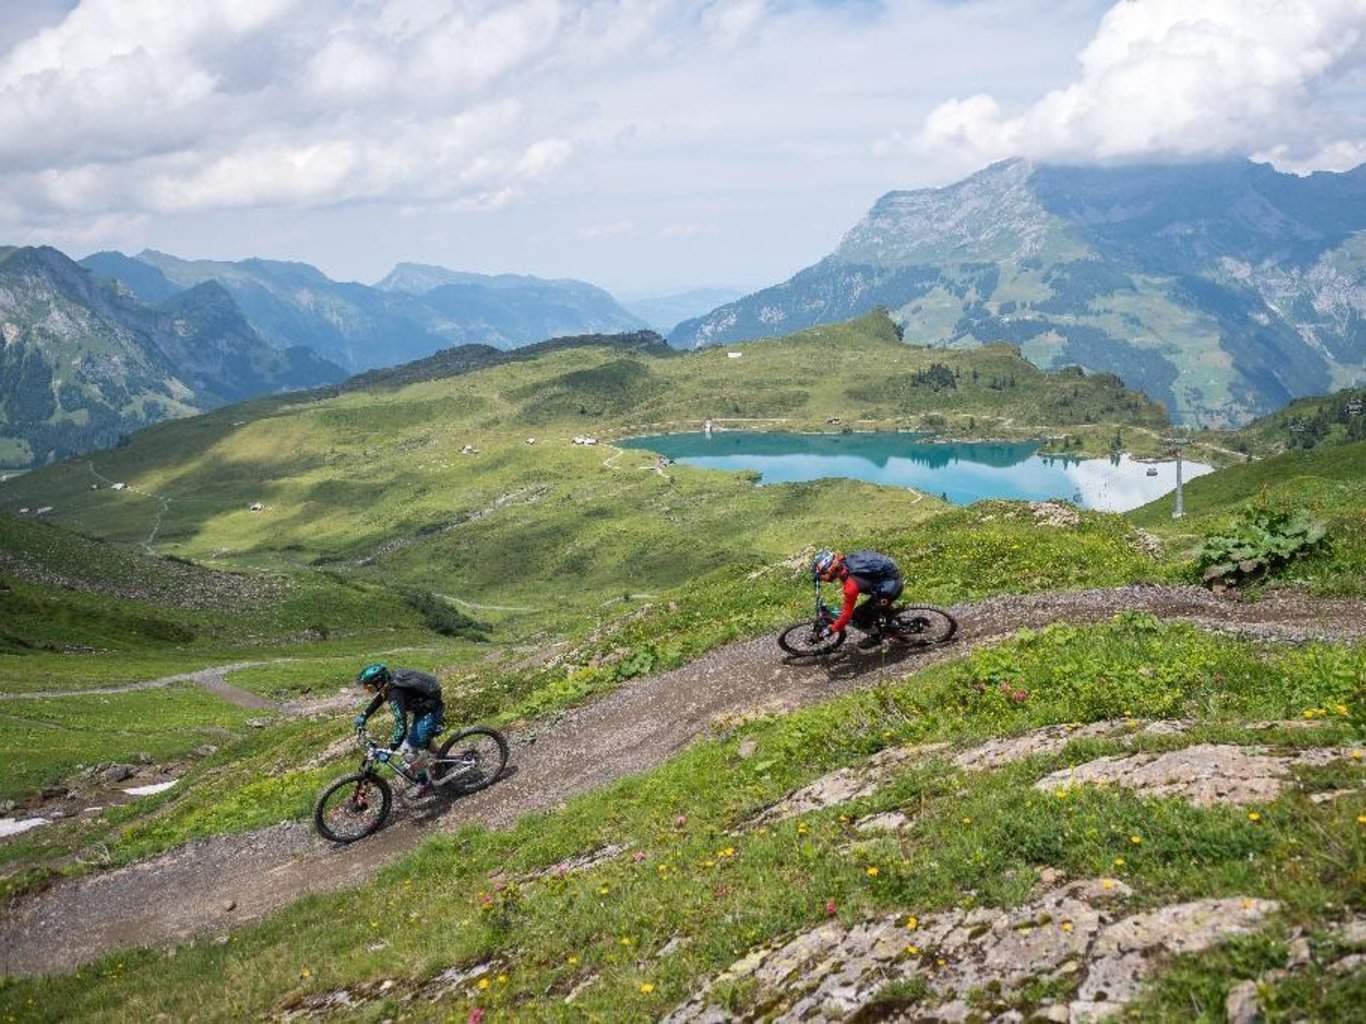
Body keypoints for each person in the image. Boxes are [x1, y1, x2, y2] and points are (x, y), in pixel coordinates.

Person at [353, 663, 445, 794]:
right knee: (415, 740)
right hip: (423, 705)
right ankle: (442, 758)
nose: (368, 690)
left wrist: (391, 748)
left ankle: (425, 784)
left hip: (430, 708)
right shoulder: (390, 685)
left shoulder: (395, 693)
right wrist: (364, 715)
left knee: (408, 748)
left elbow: (401, 723)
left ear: (379, 683)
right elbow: (381, 698)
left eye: (369, 687)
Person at [812, 549, 904, 649]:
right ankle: (887, 614)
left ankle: (877, 636)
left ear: (831, 571)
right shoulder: (847, 561)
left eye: (823, 574)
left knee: (859, 616)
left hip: (890, 587)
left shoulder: (850, 586)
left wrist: (833, 629)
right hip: (888, 578)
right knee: (872, 608)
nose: (823, 578)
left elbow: (846, 615)